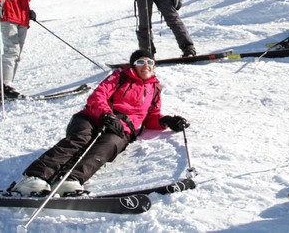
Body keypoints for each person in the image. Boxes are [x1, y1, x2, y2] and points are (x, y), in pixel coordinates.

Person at [11, 49, 190, 196]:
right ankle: (34, 177)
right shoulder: (119, 77)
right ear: (133, 65)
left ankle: (71, 180)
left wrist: (167, 121)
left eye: (150, 63)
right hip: (93, 118)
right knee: (80, 139)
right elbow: (98, 96)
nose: (146, 66)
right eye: (141, 62)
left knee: (107, 146)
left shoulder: (155, 89)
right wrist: (106, 115)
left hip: (121, 129)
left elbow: (150, 117)